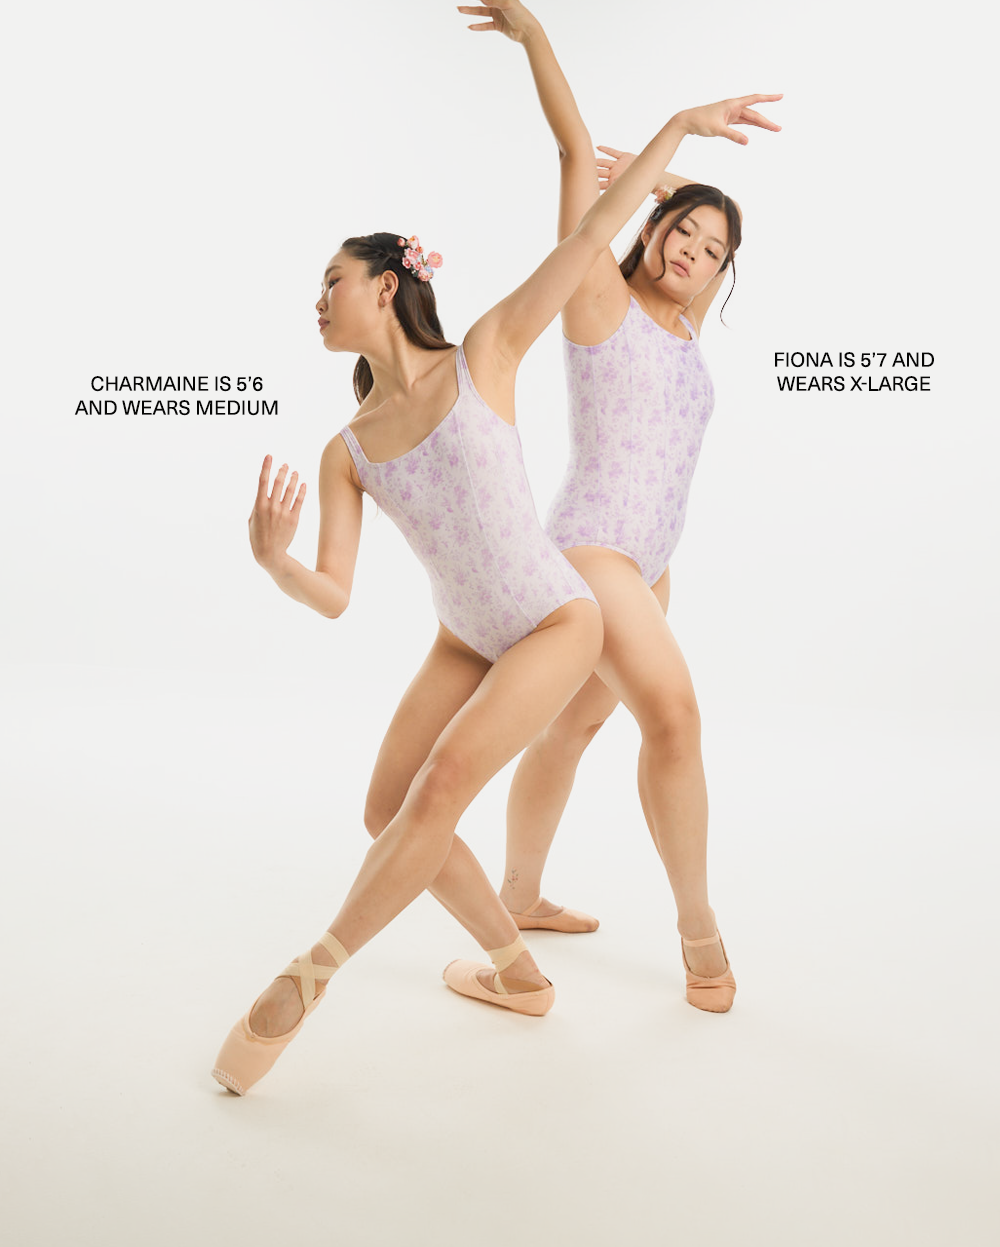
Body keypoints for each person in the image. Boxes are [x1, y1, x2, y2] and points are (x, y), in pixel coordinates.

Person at [212, 54, 770, 1097]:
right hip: (496, 617)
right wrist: (274, 559)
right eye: (681, 235)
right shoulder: (353, 443)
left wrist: (659, 149)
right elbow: (333, 594)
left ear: (383, 283)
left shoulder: (494, 351)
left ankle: (323, 961)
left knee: (499, 764)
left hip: (581, 600)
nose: (314, 301)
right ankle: (517, 966)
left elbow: (589, 200)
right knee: (393, 805)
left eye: (327, 282)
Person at [457, 0, 782, 1012]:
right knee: (674, 718)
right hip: (593, 551)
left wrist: (663, 195)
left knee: (574, 729)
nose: (690, 252)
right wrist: (539, 41)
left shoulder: (688, 335)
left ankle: (519, 891)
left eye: (710, 248)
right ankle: (700, 939)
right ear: (642, 236)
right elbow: (571, 153)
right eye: (680, 234)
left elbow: (676, 235)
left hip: (651, 565)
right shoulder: (597, 294)